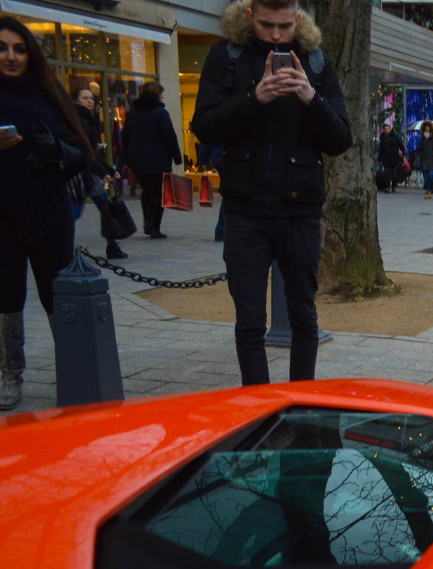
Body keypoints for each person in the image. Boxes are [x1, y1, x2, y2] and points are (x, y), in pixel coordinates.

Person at [191, 0, 352, 386]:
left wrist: (311, 99)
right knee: (249, 322)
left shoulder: (315, 63)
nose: (276, 35)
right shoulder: (226, 56)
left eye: (284, 26)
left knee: (304, 316)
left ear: (297, 19)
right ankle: (258, 406)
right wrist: (254, 97)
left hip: (301, 210)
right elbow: (205, 127)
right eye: (266, 25)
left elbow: (341, 139)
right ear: (250, 15)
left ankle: (302, 404)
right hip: (246, 210)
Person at [0, 16, 92, 409]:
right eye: (2, 48)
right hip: (2, 213)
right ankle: (10, 373)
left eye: (19, 49)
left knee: (57, 293)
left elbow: (82, 155)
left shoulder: (48, 94)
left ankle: (73, 370)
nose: (10, 56)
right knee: (6, 295)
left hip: (49, 210)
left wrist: (55, 150)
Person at [72, 84, 126, 259]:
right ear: (75, 101)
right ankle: (61, 244)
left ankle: (112, 246)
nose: (89, 101)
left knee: (105, 208)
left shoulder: (90, 119)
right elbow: (85, 152)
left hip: (91, 170)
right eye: (84, 98)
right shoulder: (76, 121)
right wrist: (104, 172)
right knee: (74, 211)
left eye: (91, 98)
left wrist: (109, 169)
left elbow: (92, 151)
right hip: (80, 173)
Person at [121, 80, 181, 238]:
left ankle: (148, 222)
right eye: (161, 94)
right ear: (157, 95)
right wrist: (177, 157)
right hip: (158, 160)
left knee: (147, 191)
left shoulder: (133, 113)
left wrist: (126, 158)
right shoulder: (161, 113)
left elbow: (126, 137)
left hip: (138, 161)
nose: (162, 97)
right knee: (158, 194)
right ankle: (154, 226)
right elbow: (170, 136)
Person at [377, 122, 404, 193]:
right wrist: (379, 158)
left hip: (394, 158)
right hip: (386, 158)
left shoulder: (395, 136)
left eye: (387, 128)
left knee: (393, 173)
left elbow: (400, 145)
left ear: (390, 129)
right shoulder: (382, 137)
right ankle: (387, 187)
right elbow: (381, 149)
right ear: (383, 130)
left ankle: (393, 186)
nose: (386, 130)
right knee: (386, 173)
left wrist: (404, 153)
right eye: (385, 129)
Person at [419, 121, 433, 199]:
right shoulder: (422, 137)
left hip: (432, 159)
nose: (427, 128)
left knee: (430, 175)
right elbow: (421, 148)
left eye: (428, 127)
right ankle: (429, 192)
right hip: (424, 159)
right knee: (426, 177)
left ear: (431, 128)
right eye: (425, 127)